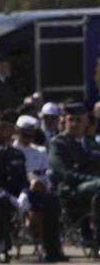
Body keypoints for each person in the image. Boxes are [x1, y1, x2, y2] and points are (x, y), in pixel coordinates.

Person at [0, 112, 61, 263]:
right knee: (1, 201)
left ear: (11, 130)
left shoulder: (17, 154)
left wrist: (24, 193)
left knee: (50, 200)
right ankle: (2, 249)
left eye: (4, 128)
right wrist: (8, 196)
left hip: (15, 195)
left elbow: (22, 180)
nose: (0, 131)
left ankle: (52, 249)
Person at [47, 102, 100, 248]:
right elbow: (65, 174)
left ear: (87, 122)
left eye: (79, 120)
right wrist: (94, 179)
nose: (74, 124)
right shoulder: (58, 144)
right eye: (71, 119)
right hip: (71, 191)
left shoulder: (91, 142)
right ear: (64, 121)